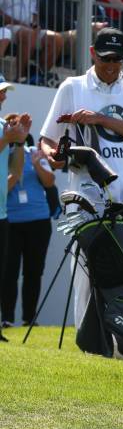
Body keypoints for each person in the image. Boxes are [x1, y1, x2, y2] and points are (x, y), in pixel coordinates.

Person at [40, 27, 123, 328]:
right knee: (84, 274)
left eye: (117, 59)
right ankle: (89, 343)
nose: (111, 65)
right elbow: (47, 138)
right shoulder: (72, 86)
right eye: (105, 58)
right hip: (86, 195)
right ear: (93, 53)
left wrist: (101, 119)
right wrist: (54, 155)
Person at [1, 129, 55, 327]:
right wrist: (16, 170)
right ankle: (7, 318)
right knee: (8, 273)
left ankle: (29, 318)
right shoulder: (3, 155)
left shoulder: (35, 153)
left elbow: (49, 182)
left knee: (33, 272)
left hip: (38, 222)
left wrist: (35, 164)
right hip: (11, 222)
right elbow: (5, 187)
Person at [0, 76, 30, 338]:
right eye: (0, 92)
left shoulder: (3, 126)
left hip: (2, 213)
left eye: (4, 92)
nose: (3, 97)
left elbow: (16, 171)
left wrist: (19, 141)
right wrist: (6, 139)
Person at [0, 0, 64, 83]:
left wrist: (35, 25)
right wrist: (21, 24)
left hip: (27, 29)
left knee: (56, 38)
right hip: (8, 26)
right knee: (28, 34)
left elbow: (34, 14)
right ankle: (20, 78)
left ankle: (38, 77)